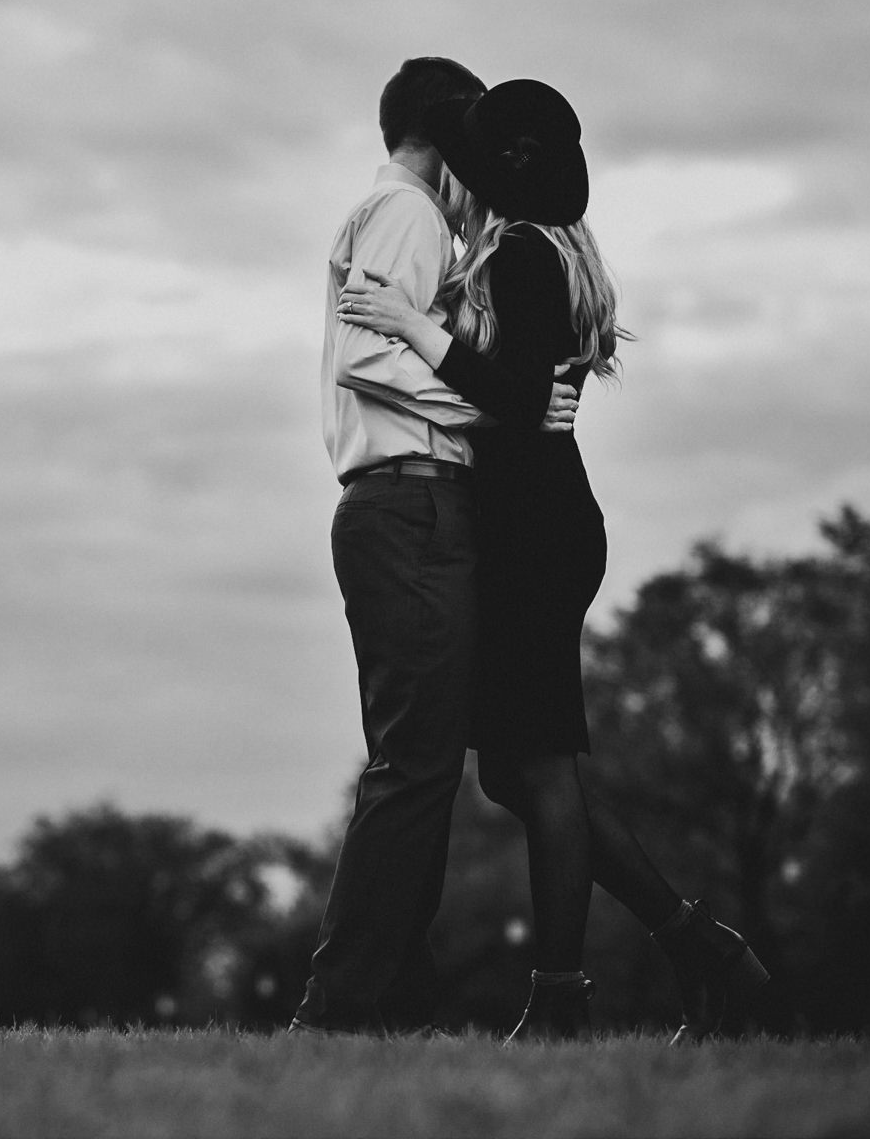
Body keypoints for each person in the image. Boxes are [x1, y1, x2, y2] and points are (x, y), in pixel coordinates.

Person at [334, 78, 772, 1042]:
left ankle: (565, 993)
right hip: (538, 522)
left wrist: (412, 325)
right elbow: (529, 392)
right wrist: (508, 387)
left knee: (538, 769)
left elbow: (519, 388)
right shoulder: (540, 250)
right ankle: (698, 947)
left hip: (535, 532)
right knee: (525, 772)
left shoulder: (520, 255)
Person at [294, 57, 582, 1035]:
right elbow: (374, 355)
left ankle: (389, 1000)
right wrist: (487, 405)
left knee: (416, 766)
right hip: (411, 501)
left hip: (401, 507)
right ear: (445, 129)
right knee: (413, 768)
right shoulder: (411, 213)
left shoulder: (393, 215)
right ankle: (343, 1002)